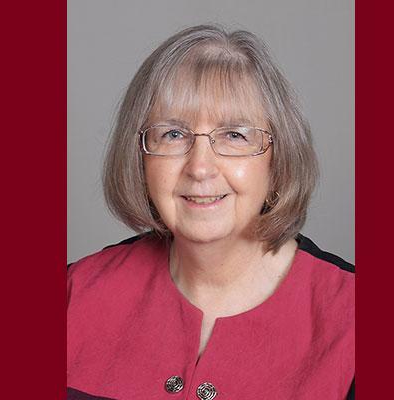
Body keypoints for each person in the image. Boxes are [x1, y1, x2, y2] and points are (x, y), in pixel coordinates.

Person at [67, 24, 354, 400]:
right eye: (172, 134)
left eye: (234, 135)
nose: (200, 167)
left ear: (277, 158)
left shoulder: (351, 318)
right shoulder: (76, 293)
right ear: (139, 157)